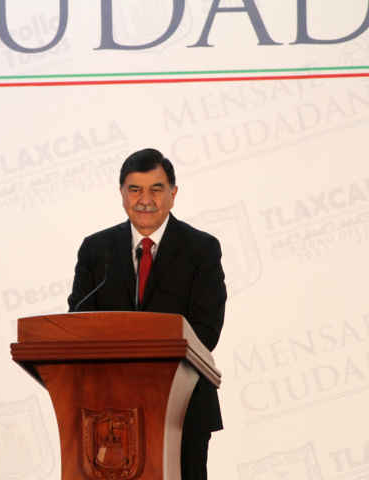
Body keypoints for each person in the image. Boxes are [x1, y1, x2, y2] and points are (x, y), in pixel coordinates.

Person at [67, 148, 227, 480]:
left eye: (156, 189)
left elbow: (206, 330)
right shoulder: (96, 250)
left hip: (183, 408)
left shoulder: (201, 249)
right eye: (135, 189)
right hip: (107, 411)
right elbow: (78, 324)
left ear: (173, 193)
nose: (145, 200)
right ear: (122, 194)